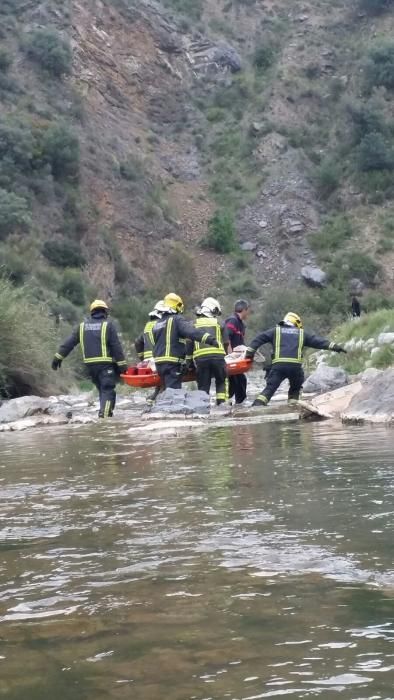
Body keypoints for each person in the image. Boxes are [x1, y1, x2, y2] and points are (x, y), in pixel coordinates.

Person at [245, 311, 347, 406]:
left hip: (278, 367)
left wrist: (249, 354)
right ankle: (292, 408)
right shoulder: (302, 333)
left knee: (269, 389)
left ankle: (256, 407)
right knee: (295, 389)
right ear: (297, 323)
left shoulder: (275, 331)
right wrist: (335, 347)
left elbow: (258, 339)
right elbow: (319, 342)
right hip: (295, 368)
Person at [52, 299, 127, 418]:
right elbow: (116, 348)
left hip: (90, 367)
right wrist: (123, 367)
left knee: (102, 389)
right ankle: (105, 418)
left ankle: (104, 413)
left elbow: (69, 343)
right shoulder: (108, 325)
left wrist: (58, 357)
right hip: (105, 365)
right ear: (105, 312)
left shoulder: (81, 327)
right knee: (107, 389)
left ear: (92, 312)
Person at [152, 292, 219, 389]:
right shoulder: (176, 319)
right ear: (177, 305)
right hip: (172, 363)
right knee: (173, 393)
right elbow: (191, 332)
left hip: (159, 364)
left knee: (165, 388)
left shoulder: (158, 323)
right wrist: (210, 340)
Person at [187, 297, 230, 405]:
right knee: (221, 382)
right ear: (213, 310)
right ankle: (221, 405)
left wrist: (189, 362)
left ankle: (203, 409)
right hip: (218, 358)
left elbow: (189, 344)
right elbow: (226, 342)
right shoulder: (220, 322)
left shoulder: (193, 324)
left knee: (203, 386)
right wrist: (224, 355)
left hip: (201, 360)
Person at [225, 299, 250, 404]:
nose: (248, 313)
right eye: (247, 310)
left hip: (238, 359)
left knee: (241, 380)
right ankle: (227, 402)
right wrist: (230, 356)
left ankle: (239, 403)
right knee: (235, 381)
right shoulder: (232, 320)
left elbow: (240, 343)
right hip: (231, 359)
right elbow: (227, 338)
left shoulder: (241, 324)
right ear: (244, 310)